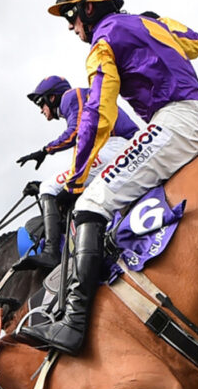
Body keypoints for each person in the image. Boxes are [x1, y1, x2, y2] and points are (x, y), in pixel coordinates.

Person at [20, 0, 198, 355]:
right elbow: (196, 42)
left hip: (173, 123)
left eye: (71, 17)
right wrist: (156, 23)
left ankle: (73, 324)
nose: (71, 27)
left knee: (90, 202)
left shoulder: (102, 42)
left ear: (88, 8)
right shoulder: (145, 24)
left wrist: (77, 176)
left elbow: (98, 114)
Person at [13, 75, 139, 272]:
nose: (41, 110)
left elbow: (75, 132)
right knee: (56, 188)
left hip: (116, 145)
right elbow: (80, 157)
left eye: (41, 103)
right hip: (119, 148)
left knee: (50, 187)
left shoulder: (70, 97)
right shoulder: (76, 103)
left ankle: (51, 252)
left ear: (52, 98)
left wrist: (45, 150)